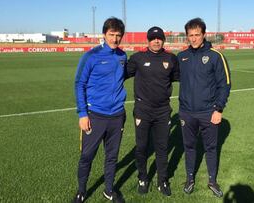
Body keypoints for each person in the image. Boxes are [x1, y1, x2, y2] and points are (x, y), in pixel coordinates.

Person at [73, 17, 127, 203]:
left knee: (111, 156)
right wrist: (82, 113)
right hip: (95, 116)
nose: (115, 39)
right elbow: (79, 84)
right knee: (87, 156)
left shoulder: (122, 56)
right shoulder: (91, 56)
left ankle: (109, 190)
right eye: (111, 35)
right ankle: (81, 191)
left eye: (118, 35)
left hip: (117, 115)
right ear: (104, 34)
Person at [177, 18, 231, 198]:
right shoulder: (181, 57)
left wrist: (218, 109)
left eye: (197, 35)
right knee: (189, 146)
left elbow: (225, 85)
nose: (193, 39)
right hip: (186, 112)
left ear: (204, 35)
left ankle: (212, 180)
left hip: (209, 112)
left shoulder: (216, 56)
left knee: (211, 148)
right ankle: (190, 178)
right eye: (190, 35)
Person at [126, 26, 179, 196]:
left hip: (163, 110)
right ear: (147, 40)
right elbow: (120, 75)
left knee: (162, 148)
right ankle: (143, 178)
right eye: (153, 38)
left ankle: (162, 180)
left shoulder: (171, 58)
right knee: (141, 147)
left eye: (159, 38)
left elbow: (177, 77)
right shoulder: (137, 58)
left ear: (163, 40)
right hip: (143, 110)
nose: (156, 41)